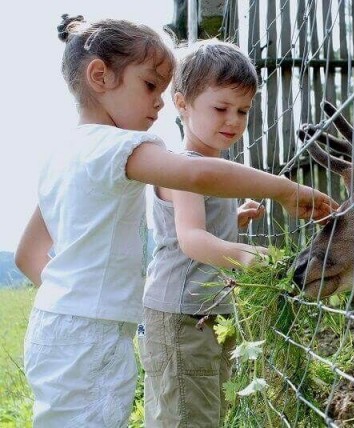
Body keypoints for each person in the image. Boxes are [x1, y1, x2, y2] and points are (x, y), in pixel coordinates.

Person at [14, 15, 337, 428]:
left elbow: (28, 256)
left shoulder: (63, 154)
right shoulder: (116, 145)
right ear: (100, 76)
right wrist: (286, 190)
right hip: (90, 335)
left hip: (54, 326)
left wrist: (76, 301)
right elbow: (196, 173)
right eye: (150, 85)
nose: (159, 102)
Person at [139, 39, 267, 427]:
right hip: (181, 315)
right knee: (187, 417)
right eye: (221, 108)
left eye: (243, 110)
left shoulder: (209, 166)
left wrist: (235, 219)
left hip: (205, 311)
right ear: (182, 104)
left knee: (202, 410)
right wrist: (243, 254)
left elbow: (201, 224)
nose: (234, 120)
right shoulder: (183, 167)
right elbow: (191, 239)